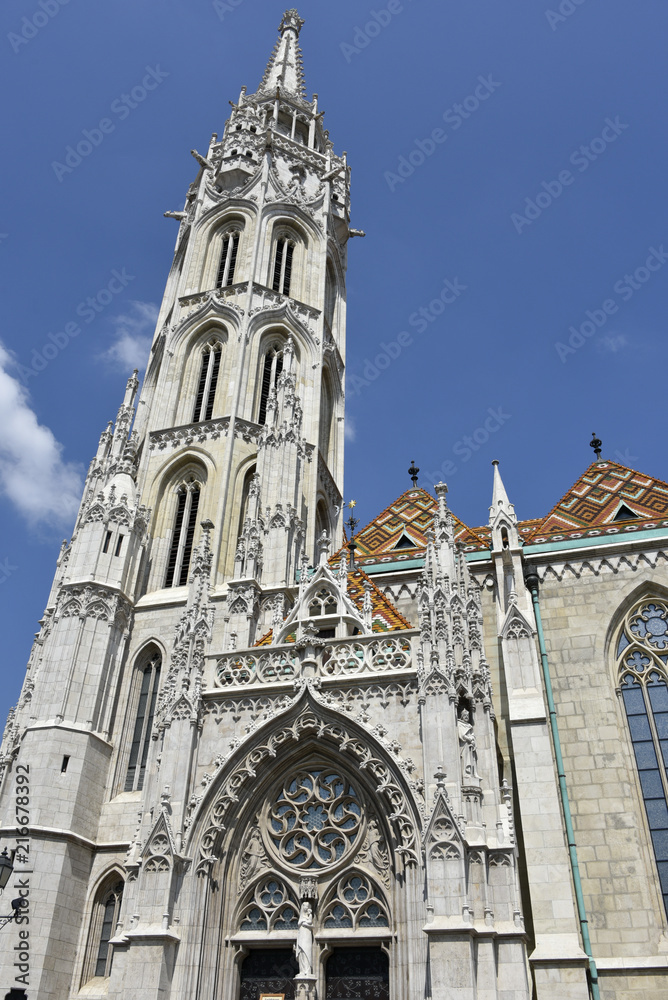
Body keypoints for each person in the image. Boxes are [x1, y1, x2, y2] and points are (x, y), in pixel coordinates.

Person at [295, 901, 313, 976]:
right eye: (305, 906)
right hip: (301, 936)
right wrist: (303, 921)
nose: (306, 908)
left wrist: (306, 924)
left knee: (307, 952)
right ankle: (302, 970)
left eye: (307, 906)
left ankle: (307, 970)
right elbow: (299, 923)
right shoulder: (301, 917)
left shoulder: (310, 915)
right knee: (301, 953)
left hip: (307, 935)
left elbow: (311, 924)